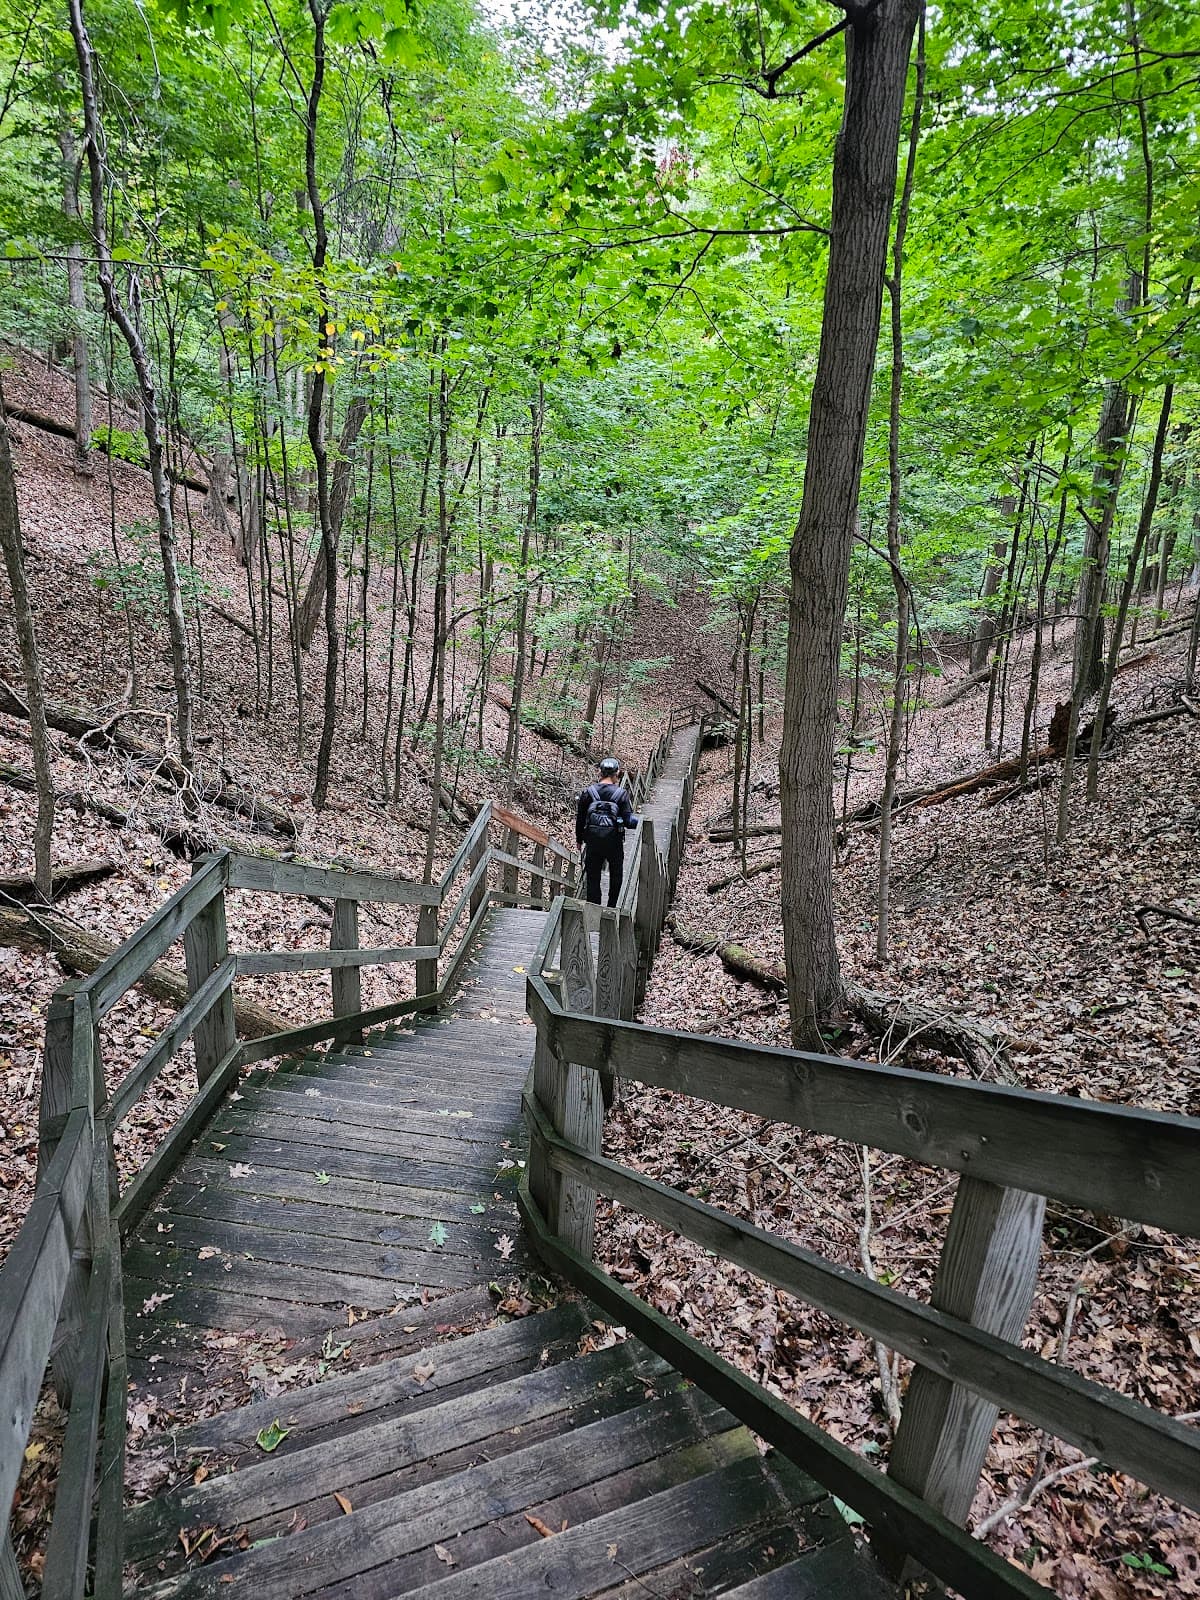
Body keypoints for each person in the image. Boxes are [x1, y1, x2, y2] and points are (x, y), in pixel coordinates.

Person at [576, 757, 638, 907]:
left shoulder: (589, 793)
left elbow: (581, 819)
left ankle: (594, 911)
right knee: (616, 875)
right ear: (616, 773)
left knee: (593, 878)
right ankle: (611, 909)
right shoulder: (621, 794)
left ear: (600, 773)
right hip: (614, 843)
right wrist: (635, 821)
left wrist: (579, 839)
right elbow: (629, 821)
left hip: (593, 842)